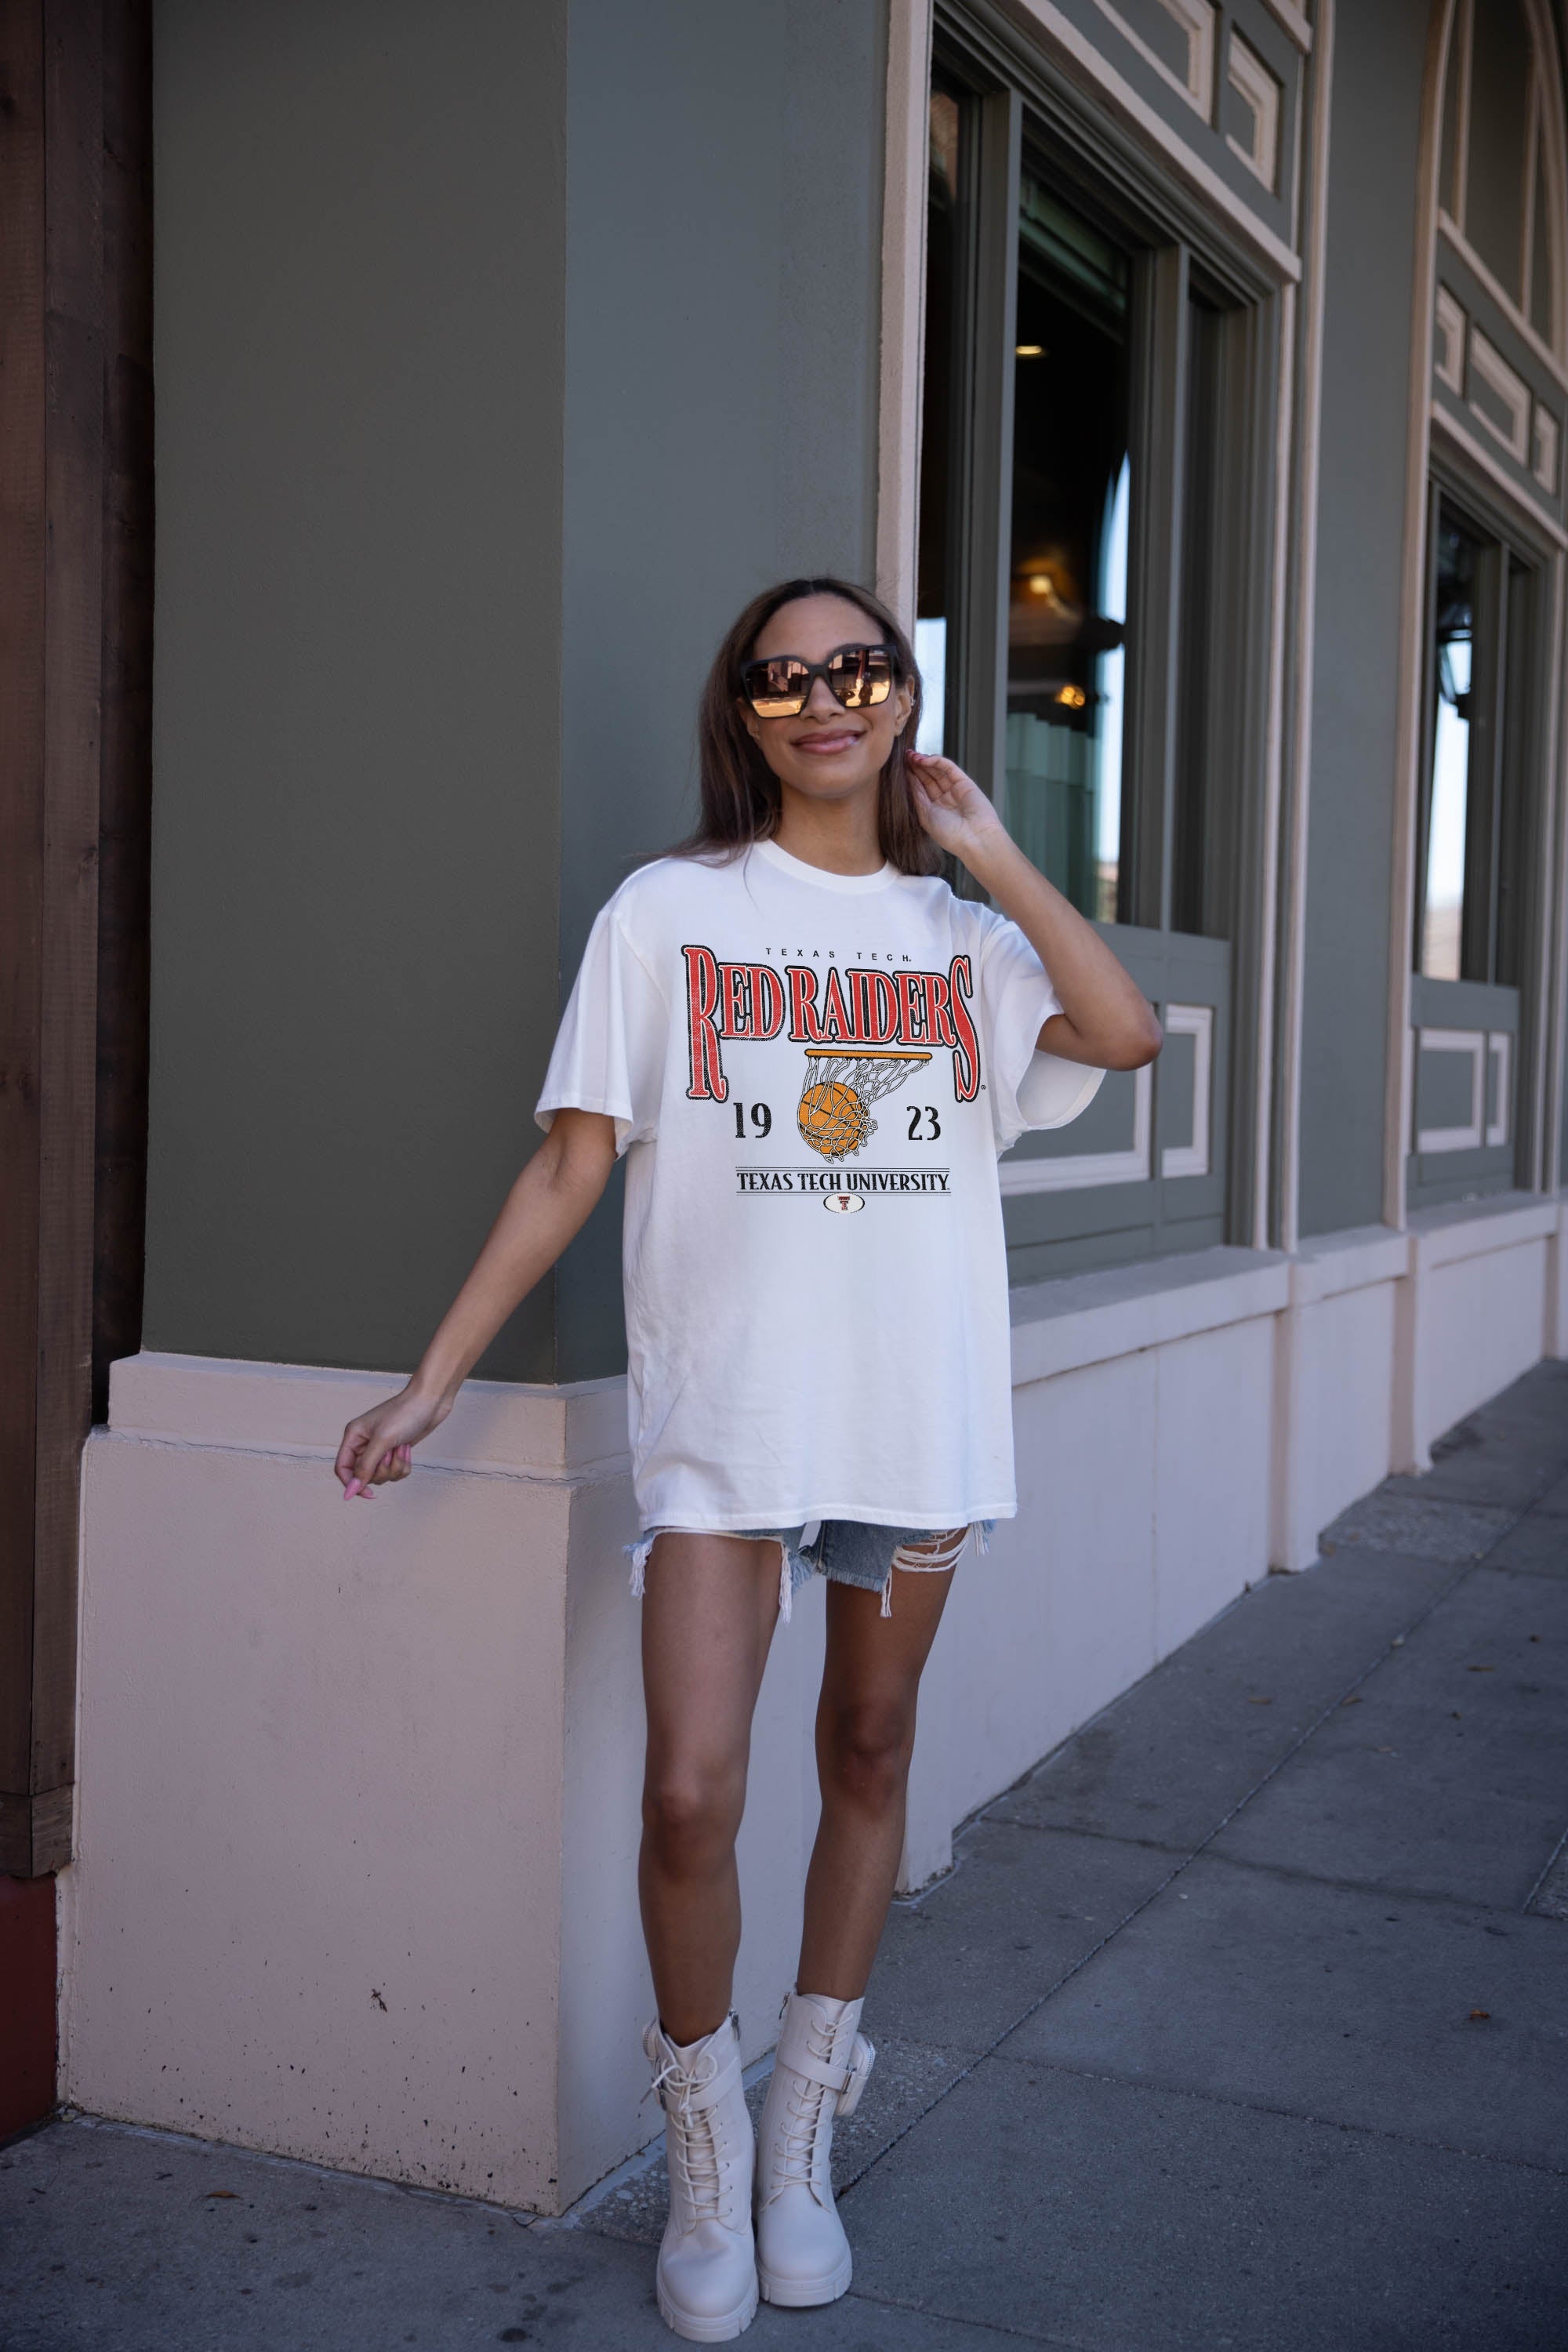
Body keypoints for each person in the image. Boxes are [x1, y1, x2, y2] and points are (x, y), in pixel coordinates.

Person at [334, 575, 1162, 2341]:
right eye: (783, 681)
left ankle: (804, 2131)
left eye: (855, 669)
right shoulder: (669, 913)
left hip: (911, 1414)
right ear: (745, 715)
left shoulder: (961, 936)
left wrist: (989, 852)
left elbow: (1124, 1032)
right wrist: (432, 1382)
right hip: (733, 1419)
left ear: (901, 697)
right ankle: (704, 2138)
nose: (823, 700)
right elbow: (573, 1162)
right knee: (689, 1794)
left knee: (869, 1746)